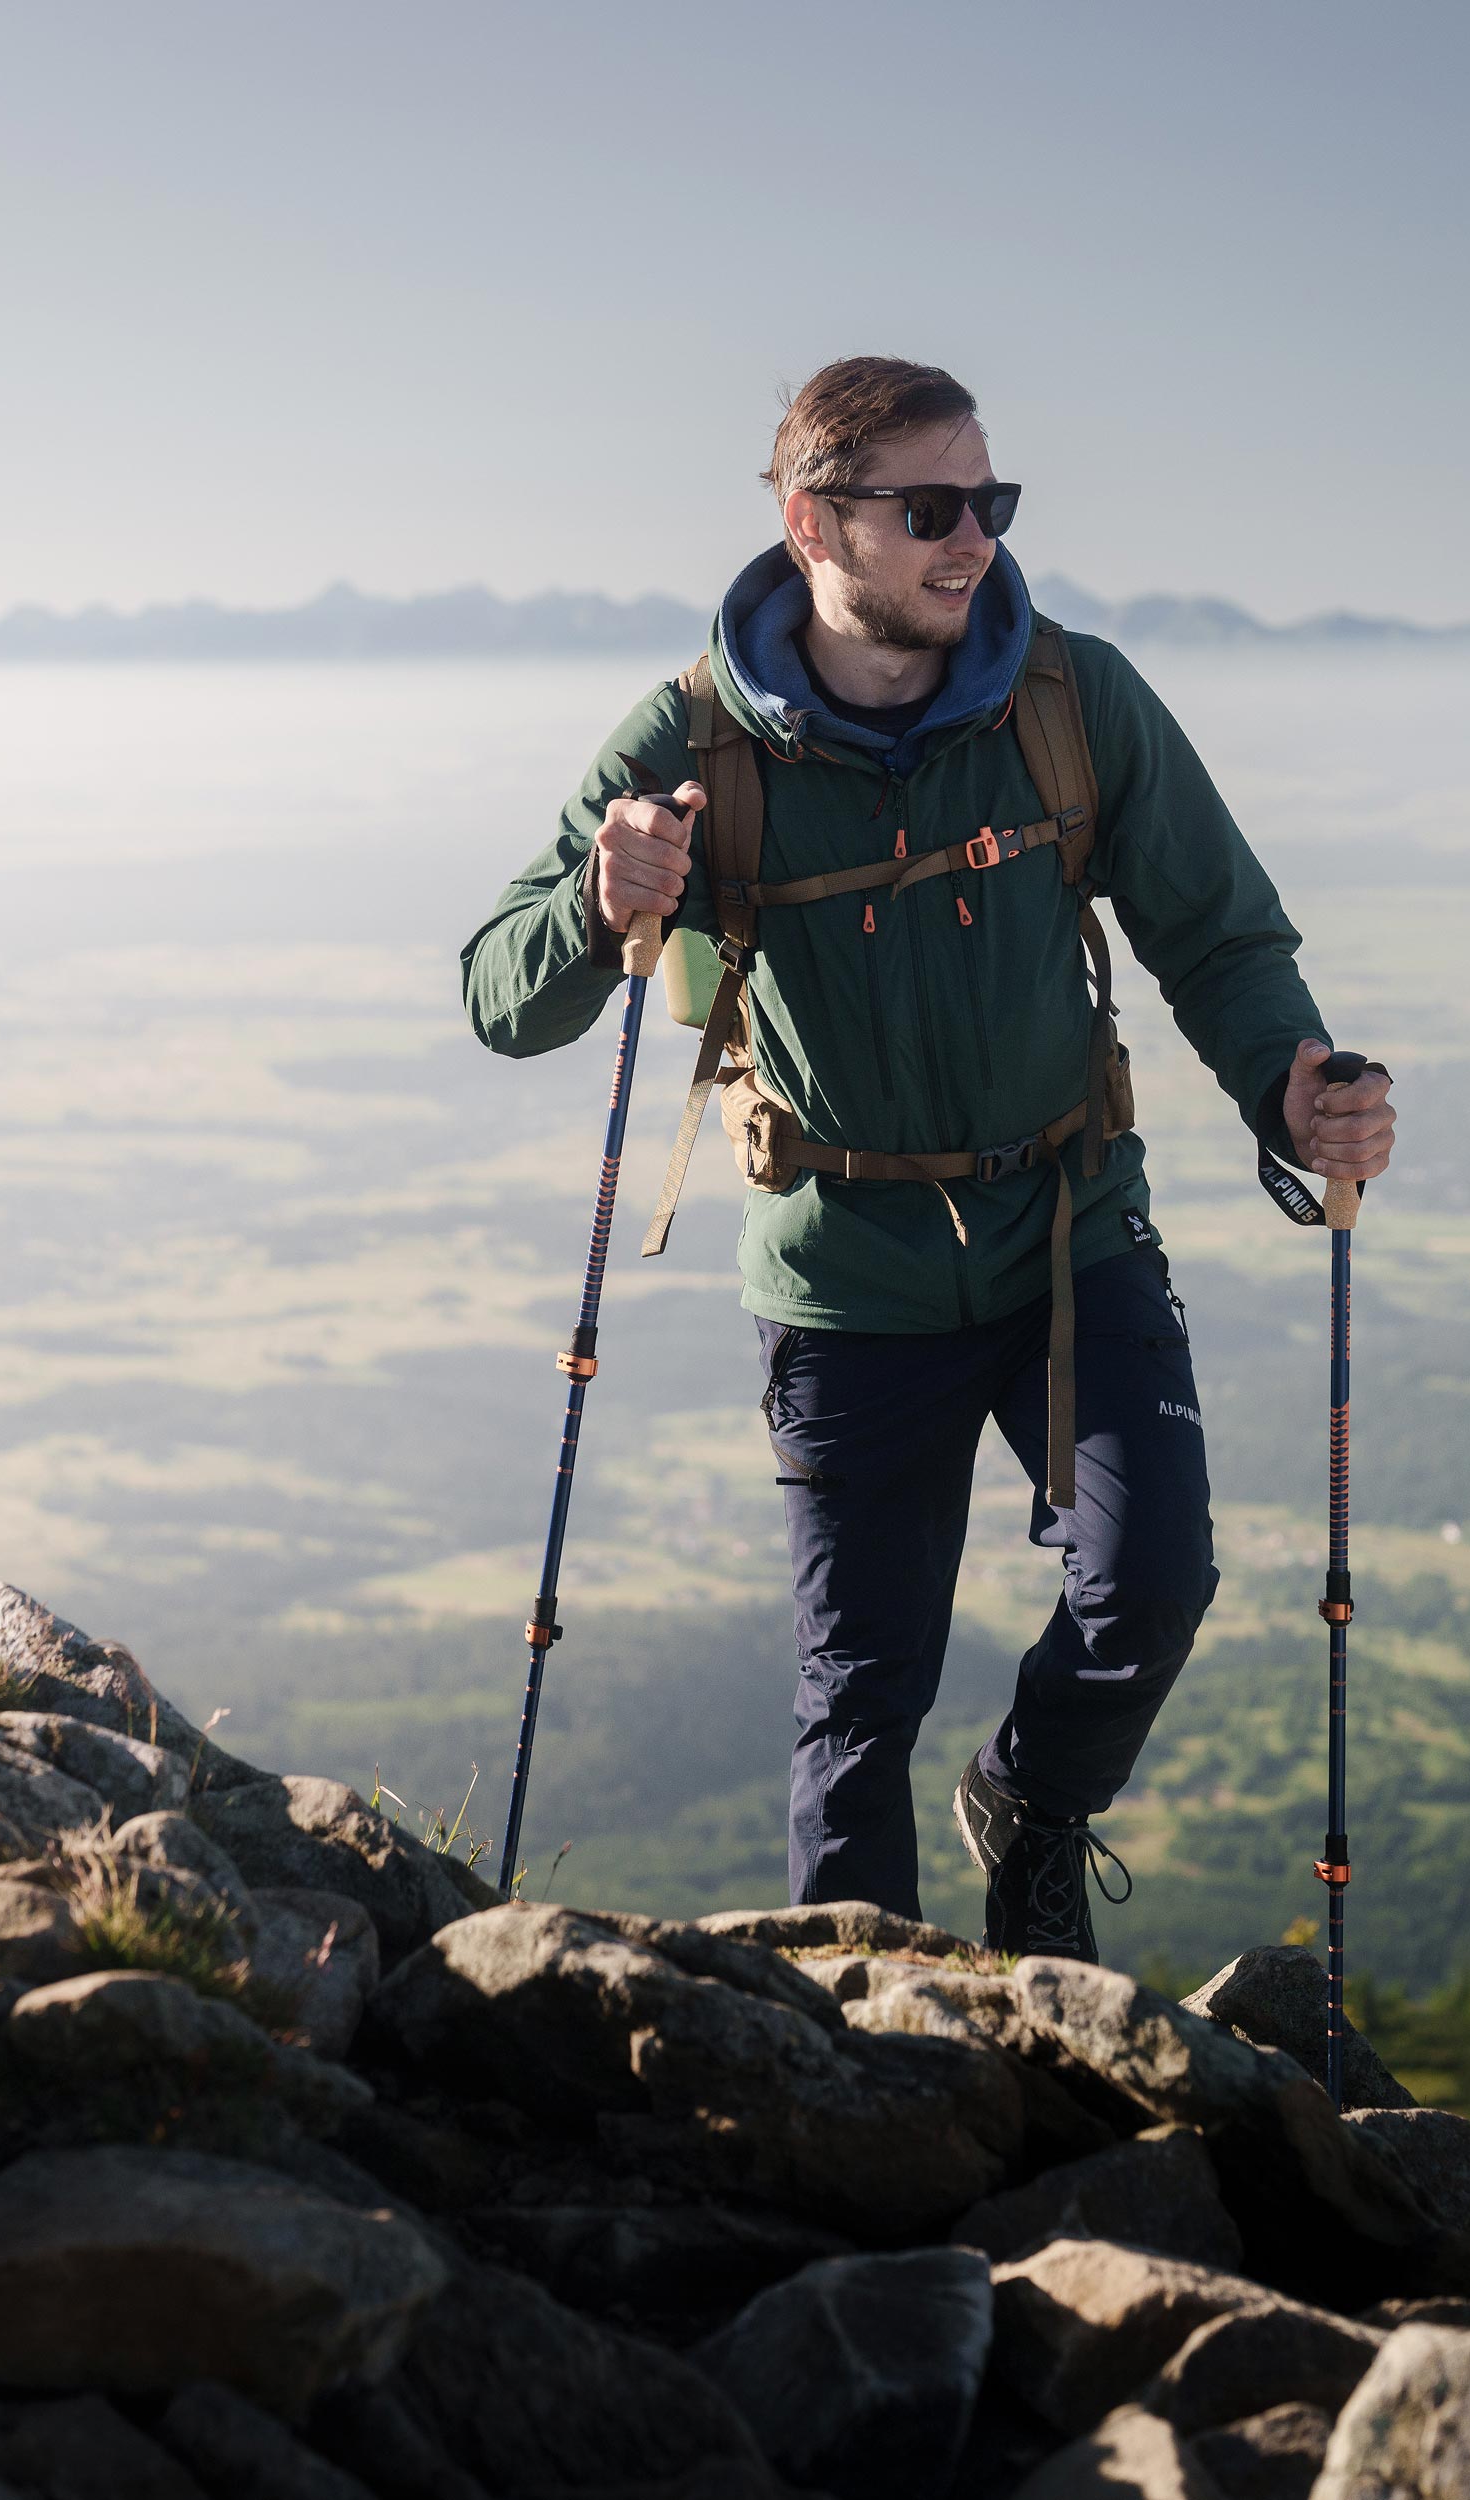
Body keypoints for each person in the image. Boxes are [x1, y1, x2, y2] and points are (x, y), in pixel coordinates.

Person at [459, 356, 1396, 1958]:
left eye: (991, 503)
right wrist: (602, 898)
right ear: (813, 520)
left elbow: (1223, 942)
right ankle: (877, 2072)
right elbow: (500, 991)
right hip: (845, 1283)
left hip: (1069, 1232)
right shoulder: (696, 740)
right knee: (859, 1704)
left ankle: (1031, 1808)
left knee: (1152, 1584)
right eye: (932, 509)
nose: (976, 540)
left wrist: (1296, 1090)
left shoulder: (1074, 701)